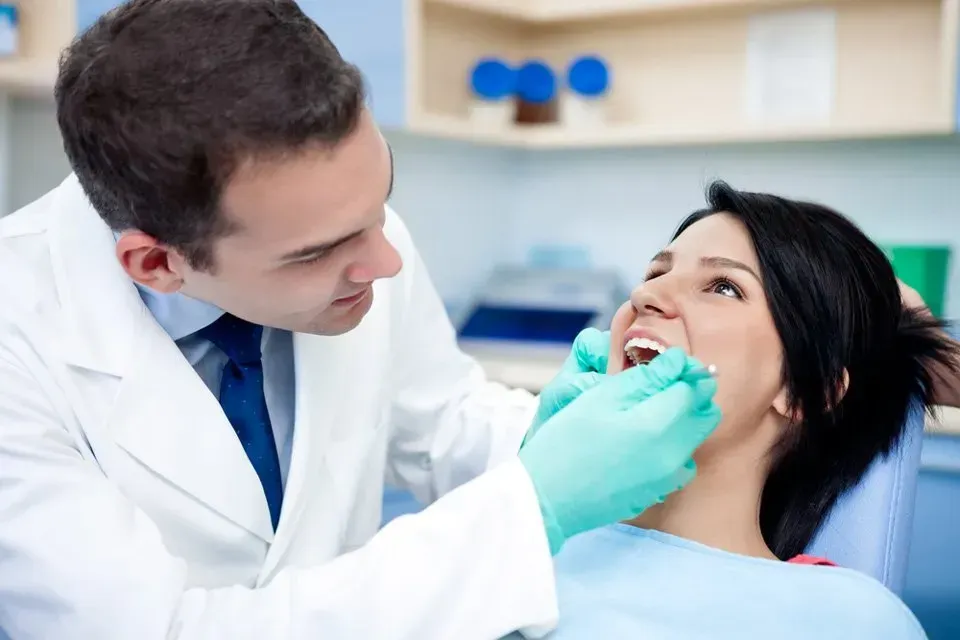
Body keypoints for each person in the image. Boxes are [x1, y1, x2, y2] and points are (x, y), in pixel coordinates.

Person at [0, 1, 719, 638]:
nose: (385, 260)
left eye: (381, 207)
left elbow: (440, 425)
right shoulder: (19, 338)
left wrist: (554, 437)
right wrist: (537, 501)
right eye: (319, 252)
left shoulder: (352, 234)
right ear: (157, 264)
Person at [506, 182, 960, 638]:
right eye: (654, 274)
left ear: (814, 389)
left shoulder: (849, 619)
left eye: (723, 286)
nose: (647, 296)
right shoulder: (509, 550)